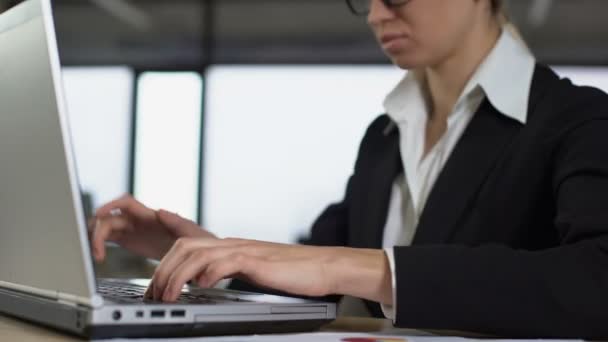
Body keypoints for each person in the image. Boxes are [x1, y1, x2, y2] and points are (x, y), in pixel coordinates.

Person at [91, 0, 608, 338]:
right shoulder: (384, 138)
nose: (377, 14)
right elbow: (306, 274)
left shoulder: (577, 118)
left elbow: (597, 280)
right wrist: (206, 252)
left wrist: (350, 267)